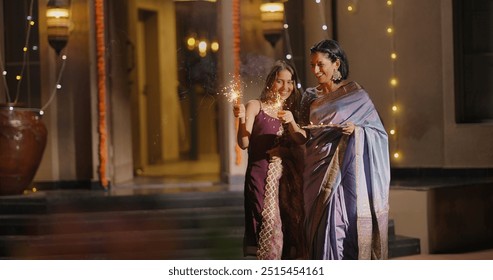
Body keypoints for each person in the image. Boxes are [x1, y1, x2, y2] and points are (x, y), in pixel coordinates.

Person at [283, 39, 390, 259]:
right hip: (316, 171)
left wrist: (358, 130)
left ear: (336, 64)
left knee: (344, 225)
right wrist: (290, 122)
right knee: (320, 229)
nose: (315, 70)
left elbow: (378, 132)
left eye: (320, 64)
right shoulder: (310, 97)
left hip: (346, 170)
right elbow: (303, 136)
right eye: (313, 64)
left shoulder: (356, 95)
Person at [233, 60, 306, 260]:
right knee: (269, 226)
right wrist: (240, 119)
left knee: (290, 231)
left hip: (286, 183)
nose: (286, 87)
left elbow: (301, 140)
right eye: (280, 82)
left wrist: (291, 122)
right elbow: (244, 142)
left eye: (290, 82)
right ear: (270, 82)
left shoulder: (292, 111)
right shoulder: (255, 105)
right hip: (260, 177)